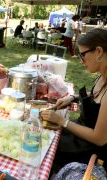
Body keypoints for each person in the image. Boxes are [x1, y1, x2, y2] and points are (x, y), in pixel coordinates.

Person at [41, 28, 107, 173]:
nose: (81, 61)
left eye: (83, 55)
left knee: (47, 148)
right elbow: (96, 96)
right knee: (47, 134)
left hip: (90, 150)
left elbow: (100, 138)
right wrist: (72, 97)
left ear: (99, 52)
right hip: (82, 136)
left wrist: (62, 121)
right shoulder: (103, 75)